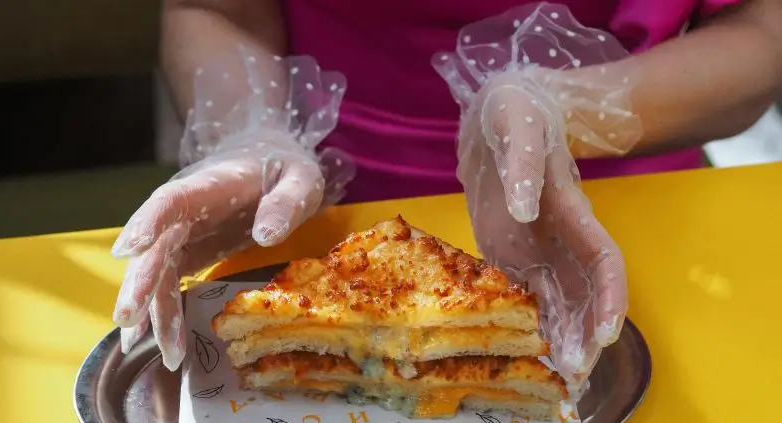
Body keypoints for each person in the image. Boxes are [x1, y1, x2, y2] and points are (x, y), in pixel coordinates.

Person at [111, 0, 781, 383]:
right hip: (311, 216)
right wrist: (250, 131)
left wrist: (566, 106)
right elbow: (218, 9)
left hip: (622, 210)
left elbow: (760, 28)